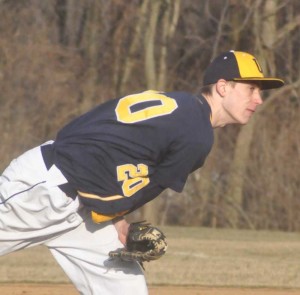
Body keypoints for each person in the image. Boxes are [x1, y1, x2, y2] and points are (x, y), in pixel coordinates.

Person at [0, 50, 284, 294]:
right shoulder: (197, 136)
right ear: (223, 87)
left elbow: (86, 128)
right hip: (44, 191)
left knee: (125, 287)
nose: (258, 99)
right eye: (251, 88)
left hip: (80, 207)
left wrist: (116, 217)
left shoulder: (180, 108)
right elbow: (152, 184)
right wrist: (115, 214)